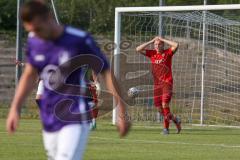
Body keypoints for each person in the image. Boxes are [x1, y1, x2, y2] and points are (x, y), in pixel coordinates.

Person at [6, 1, 130, 160]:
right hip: (50, 116)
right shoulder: (34, 39)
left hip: (75, 114)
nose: (35, 34)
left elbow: (106, 72)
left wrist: (122, 112)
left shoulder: (79, 40)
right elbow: (30, 73)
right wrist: (15, 108)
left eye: (37, 29)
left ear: (49, 18)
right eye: (31, 30)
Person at [136, 36, 181, 135]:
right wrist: (152, 40)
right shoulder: (152, 54)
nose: (157, 46)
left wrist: (162, 39)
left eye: (159, 44)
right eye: (155, 44)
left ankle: (166, 129)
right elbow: (138, 49)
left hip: (167, 82)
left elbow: (176, 45)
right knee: (160, 109)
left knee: (165, 104)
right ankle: (175, 119)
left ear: (163, 45)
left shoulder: (167, 53)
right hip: (157, 85)